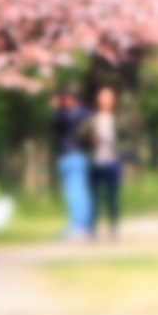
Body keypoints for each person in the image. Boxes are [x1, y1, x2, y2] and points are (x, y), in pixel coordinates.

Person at [49, 88, 92, 239]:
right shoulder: (86, 113)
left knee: (74, 192)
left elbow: (54, 122)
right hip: (79, 155)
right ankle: (82, 225)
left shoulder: (68, 115)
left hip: (71, 155)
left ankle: (78, 227)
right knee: (79, 191)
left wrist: (55, 108)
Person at [82, 87, 125, 240]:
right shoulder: (92, 120)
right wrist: (91, 140)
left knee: (113, 197)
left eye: (109, 98)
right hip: (96, 161)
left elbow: (126, 139)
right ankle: (92, 229)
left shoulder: (118, 120)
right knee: (94, 197)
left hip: (113, 161)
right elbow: (81, 137)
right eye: (103, 98)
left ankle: (113, 228)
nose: (106, 102)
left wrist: (119, 151)